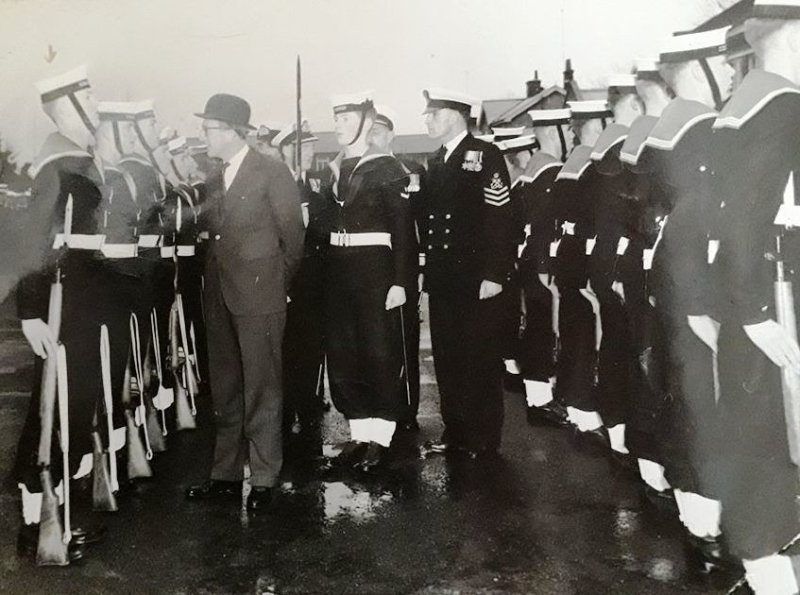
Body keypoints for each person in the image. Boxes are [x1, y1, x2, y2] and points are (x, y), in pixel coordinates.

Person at [709, 3, 800, 590]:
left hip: (749, 286)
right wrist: (759, 312)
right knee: (776, 428)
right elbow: (748, 213)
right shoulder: (783, 106)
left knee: (759, 427)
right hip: (773, 287)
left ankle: (765, 559)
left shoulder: (741, 107)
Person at [185, 94, 304, 511]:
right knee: (226, 387)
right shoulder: (214, 178)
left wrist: (272, 283)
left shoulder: (271, 172)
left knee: (262, 387)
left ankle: (266, 477)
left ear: (234, 133)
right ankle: (225, 474)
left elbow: (294, 238)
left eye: (210, 129)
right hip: (219, 294)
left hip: (260, 294)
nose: (204, 136)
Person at [644, 26, 735, 561]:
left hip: (674, 279)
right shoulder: (699, 130)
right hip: (693, 281)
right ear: (697, 69)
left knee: (682, 395)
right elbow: (695, 220)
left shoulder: (670, 128)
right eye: (721, 64)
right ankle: (703, 528)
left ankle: (697, 516)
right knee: (702, 402)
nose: (729, 72)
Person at [13, 65, 107, 562]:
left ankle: (68, 512)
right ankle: (35, 522)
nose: (94, 104)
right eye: (86, 97)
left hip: (85, 302)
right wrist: (29, 313)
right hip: (60, 302)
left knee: (77, 405)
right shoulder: (57, 168)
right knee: (51, 412)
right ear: (63, 107)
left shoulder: (84, 163)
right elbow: (31, 245)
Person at [321, 91, 416, 471]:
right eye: (337, 119)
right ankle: (359, 433)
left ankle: (381, 436)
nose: (338, 126)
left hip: (376, 273)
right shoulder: (337, 169)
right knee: (345, 355)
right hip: (339, 274)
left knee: (379, 352)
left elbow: (403, 231)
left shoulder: (388, 170)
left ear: (364, 122)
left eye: (346, 119)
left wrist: (401, 282)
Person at [421, 88, 516, 459]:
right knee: (447, 357)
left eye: (433, 113)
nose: (427, 120)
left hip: (476, 278)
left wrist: (494, 273)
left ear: (456, 115)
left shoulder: (484, 155)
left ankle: (483, 436)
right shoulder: (437, 159)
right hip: (444, 277)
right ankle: (456, 431)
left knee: (478, 357)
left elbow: (499, 217)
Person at [587, 74, 645, 470]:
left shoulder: (605, 151)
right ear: (637, 105)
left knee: (613, 351)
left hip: (606, 264)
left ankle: (617, 437)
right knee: (631, 356)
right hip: (625, 267)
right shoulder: (630, 149)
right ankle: (629, 446)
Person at [552, 100, 612, 452]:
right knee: (589, 337)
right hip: (587, 256)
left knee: (574, 335)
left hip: (567, 255)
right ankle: (587, 417)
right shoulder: (593, 162)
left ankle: (577, 412)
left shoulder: (571, 162)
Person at [272, 124, 329, 451]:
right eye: (303, 147)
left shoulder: (315, 190)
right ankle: (285, 409)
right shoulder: (278, 188)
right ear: (287, 151)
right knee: (286, 347)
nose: (310, 152)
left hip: (314, 283)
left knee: (310, 346)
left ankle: (307, 401)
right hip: (287, 280)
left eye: (310, 146)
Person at [369, 104, 424, 431]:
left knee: (404, 338)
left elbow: (420, 220)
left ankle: (406, 409)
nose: (372, 136)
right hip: (371, 269)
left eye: (378, 131)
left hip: (403, 264)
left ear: (391, 135)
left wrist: (418, 265)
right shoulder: (359, 171)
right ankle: (378, 409)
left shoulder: (411, 169)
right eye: (369, 131)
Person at [517, 108, 572, 427]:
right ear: (554, 133)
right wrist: (545, 266)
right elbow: (542, 224)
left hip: (531, 259)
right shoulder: (549, 171)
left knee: (537, 329)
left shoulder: (534, 170)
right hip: (541, 262)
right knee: (543, 330)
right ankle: (540, 401)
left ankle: (538, 396)